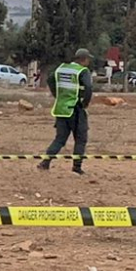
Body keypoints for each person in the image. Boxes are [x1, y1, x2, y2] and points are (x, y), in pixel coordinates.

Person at [39, 47, 95, 175]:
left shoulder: (62, 68)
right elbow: (88, 87)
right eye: (88, 59)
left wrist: (58, 95)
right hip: (76, 109)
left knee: (59, 139)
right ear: (84, 59)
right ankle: (77, 167)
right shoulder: (83, 71)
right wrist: (84, 103)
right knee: (81, 139)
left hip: (61, 108)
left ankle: (45, 163)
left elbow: (50, 80)